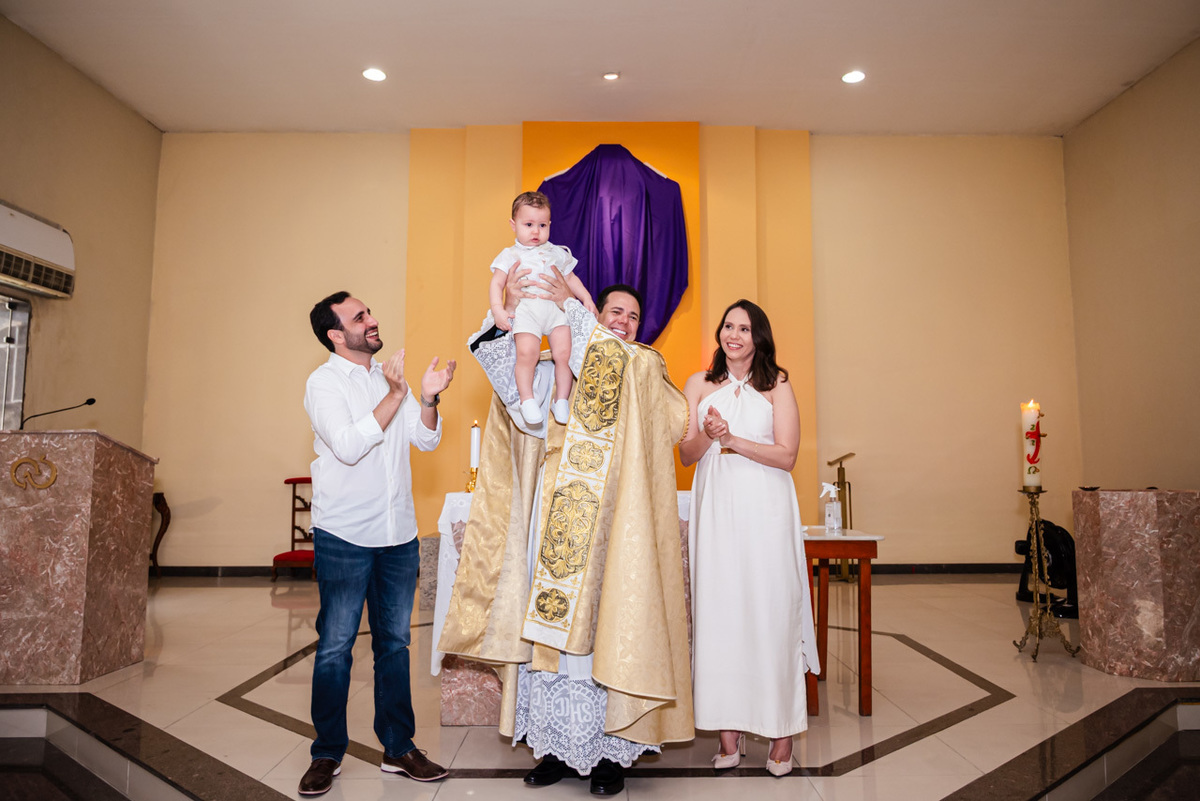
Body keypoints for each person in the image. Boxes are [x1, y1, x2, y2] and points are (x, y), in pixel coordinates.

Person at [440, 268, 693, 795]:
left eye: (634, 316)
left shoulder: (640, 365)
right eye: (615, 312)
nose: (624, 322)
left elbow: (637, 391)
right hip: (552, 524)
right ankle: (556, 746)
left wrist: (573, 306)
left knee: (605, 636)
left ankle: (608, 758)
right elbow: (518, 402)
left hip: (613, 534)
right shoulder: (563, 360)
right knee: (550, 640)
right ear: (598, 314)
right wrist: (507, 319)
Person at [299, 291, 457, 796]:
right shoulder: (322, 383)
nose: (372, 321)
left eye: (369, 313)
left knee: (395, 644)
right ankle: (326, 752)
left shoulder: (389, 380)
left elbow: (425, 438)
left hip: (398, 534)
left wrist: (427, 398)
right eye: (359, 317)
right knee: (337, 646)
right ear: (334, 334)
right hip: (344, 533)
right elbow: (346, 446)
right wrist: (394, 394)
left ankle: (398, 746)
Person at [679, 299, 820, 777]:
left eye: (744, 328)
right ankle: (728, 734)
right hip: (716, 509)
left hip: (765, 508)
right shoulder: (699, 384)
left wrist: (733, 438)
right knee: (721, 612)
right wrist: (708, 432)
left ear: (759, 336)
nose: (733, 334)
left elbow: (788, 455)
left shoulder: (777, 384)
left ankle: (781, 734)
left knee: (768, 610)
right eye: (727, 326)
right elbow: (686, 454)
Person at [487, 191, 597, 427]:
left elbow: (571, 278)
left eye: (542, 225)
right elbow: (497, 283)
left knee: (564, 354)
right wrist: (498, 309)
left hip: (555, 310)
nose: (536, 231)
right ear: (513, 225)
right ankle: (527, 399)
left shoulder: (557, 252)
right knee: (527, 353)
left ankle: (561, 400)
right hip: (527, 311)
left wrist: (586, 298)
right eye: (528, 225)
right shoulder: (509, 255)